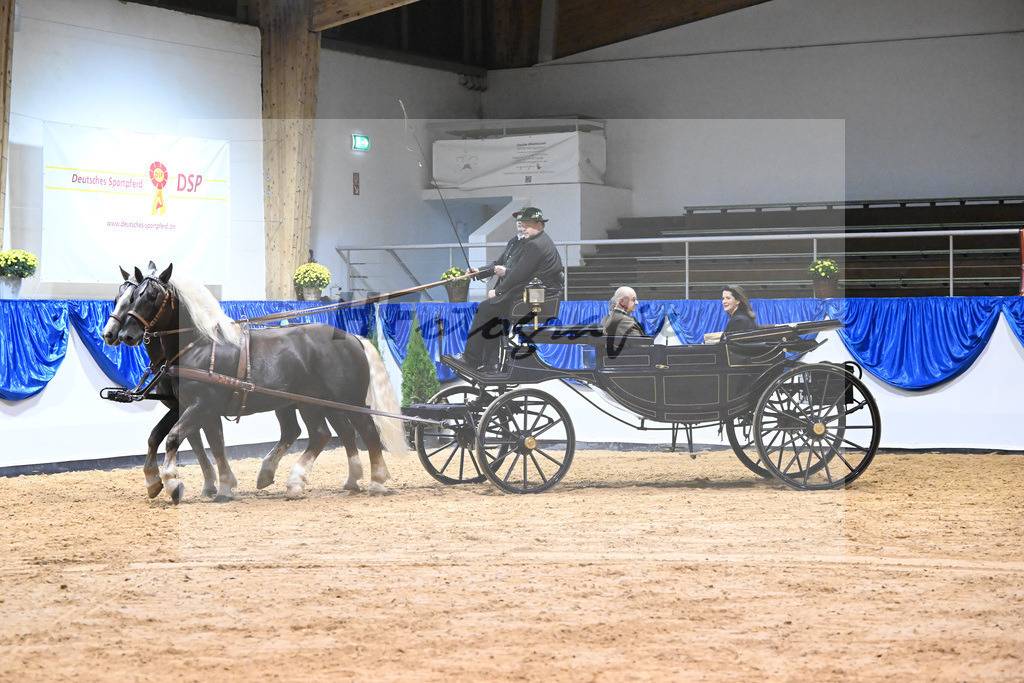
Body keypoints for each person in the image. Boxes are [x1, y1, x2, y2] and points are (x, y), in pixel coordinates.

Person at [458, 206, 563, 372]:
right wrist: (479, 272)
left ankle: (471, 358)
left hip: (533, 297)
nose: (523, 228)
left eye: (527, 225)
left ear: (539, 224)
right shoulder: (524, 241)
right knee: (491, 312)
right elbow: (501, 263)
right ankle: (491, 364)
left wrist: (498, 291)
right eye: (521, 224)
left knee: (485, 308)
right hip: (526, 292)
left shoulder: (536, 245)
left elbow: (519, 274)